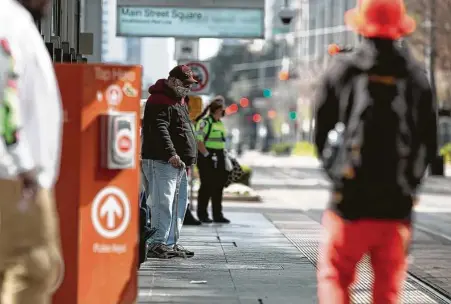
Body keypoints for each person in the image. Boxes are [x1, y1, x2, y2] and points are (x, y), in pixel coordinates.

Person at [314, 0, 437, 303]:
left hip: (349, 202)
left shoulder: (342, 69)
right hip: (396, 205)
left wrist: (336, 174)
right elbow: (428, 141)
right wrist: (410, 184)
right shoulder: (415, 74)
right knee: (388, 288)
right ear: (400, 28)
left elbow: (321, 132)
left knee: (336, 277)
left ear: (360, 26)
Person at [0, 0, 64, 302]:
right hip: (14, 178)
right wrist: (24, 164)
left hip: (15, 174)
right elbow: (4, 95)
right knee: (32, 270)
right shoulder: (9, 19)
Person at [141, 65, 198, 259]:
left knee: (178, 203)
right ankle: (158, 243)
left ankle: (170, 243)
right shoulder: (159, 100)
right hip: (163, 161)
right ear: (173, 81)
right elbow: (160, 129)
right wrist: (171, 154)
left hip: (177, 164)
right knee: (162, 203)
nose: (188, 88)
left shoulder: (177, 100)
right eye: (185, 83)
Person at [195, 96, 230, 224]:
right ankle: (202, 214)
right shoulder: (205, 122)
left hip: (219, 156)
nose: (223, 111)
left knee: (218, 186)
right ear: (216, 110)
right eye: (222, 109)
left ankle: (217, 214)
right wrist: (207, 155)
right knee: (206, 186)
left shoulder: (219, 123)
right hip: (207, 157)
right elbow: (199, 141)